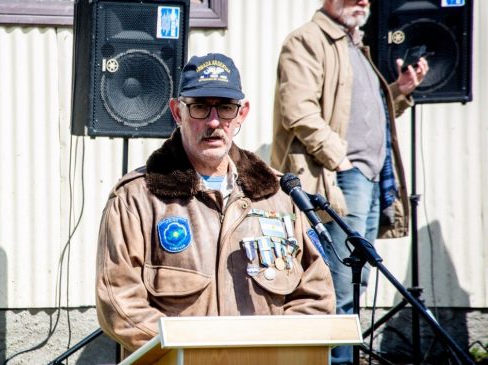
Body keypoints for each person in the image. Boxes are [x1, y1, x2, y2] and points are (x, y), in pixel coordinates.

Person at [95, 52, 336, 354]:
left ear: (241, 113)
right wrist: (198, 352)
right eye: (199, 107)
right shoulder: (137, 198)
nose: (213, 122)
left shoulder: (278, 195)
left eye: (224, 108)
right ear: (176, 111)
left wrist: (266, 352)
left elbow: (316, 296)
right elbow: (119, 303)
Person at [270, 1, 429, 364]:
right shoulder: (307, 41)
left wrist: (399, 91)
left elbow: (363, 114)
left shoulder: (353, 45)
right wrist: (339, 159)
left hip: (370, 179)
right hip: (341, 179)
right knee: (337, 290)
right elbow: (298, 109)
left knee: (356, 285)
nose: (363, 1)